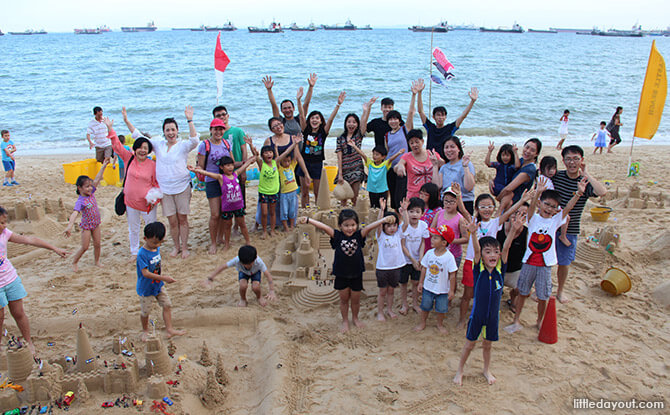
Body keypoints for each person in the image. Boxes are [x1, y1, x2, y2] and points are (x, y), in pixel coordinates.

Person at [505, 177, 586, 333]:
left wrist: (578, 194)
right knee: (523, 293)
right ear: (540, 203)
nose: (549, 208)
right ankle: (516, 320)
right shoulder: (533, 219)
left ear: (557, 209)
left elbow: (568, 208)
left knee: (543, 296)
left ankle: (539, 321)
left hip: (546, 265)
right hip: (529, 262)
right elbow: (531, 207)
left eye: (553, 206)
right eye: (546, 204)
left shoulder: (556, 221)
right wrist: (537, 193)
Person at [122, 106, 199, 259]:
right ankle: (176, 247)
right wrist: (126, 120)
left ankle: (184, 247)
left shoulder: (182, 145)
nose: (170, 133)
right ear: (164, 132)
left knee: (182, 218)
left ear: (177, 131)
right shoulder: (158, 144)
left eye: (173, 130)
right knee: (172, 220)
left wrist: (190, 120)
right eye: (167, 130)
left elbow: (195, 140)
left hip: (182, 187)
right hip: (165, 190)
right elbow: (138, 136)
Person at [298, 210, 392, 332]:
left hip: (356, 274)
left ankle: (355, 318)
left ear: (357, 225)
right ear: (340, 226)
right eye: (346, 225)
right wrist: (308, 220)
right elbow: (325, 227)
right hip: (341, 274)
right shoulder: (337, 236)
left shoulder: (359, 235)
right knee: (343, 300)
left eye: (353, 225)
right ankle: (345, 321)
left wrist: (384, 220)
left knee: (355, 301)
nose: (350, 228)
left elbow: (369, 227)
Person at [454, 218, 517, 386]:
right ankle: (460, 370)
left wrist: (513, 230)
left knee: (488, 345)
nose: (493, 255)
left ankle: (486, 370)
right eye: (488, 252)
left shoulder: (500, 270)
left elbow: (506, 247)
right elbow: (475, 250)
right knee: (469, 345)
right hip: (477, 315)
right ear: (482, 255)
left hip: (493, 316)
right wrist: (473, 233)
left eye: (495, 252)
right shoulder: (479, 269)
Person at [457, 190, 532, 329]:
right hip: (472, 262)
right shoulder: (473, 221)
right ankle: (462, 319)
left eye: (490, 206)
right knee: (468, 294)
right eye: (483, 207)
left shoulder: (495, 222)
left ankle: (479, 317)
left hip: (489, 264)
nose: (487, 210)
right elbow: (462, 209)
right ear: (477, 208)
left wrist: (522, 201)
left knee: (484, 293)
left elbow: (509, 213)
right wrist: (458, 196)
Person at [0, 206, 68, 355]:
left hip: (10, 279)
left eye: (5, 223)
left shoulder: (5, 234)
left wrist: (54, 248)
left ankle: (28, 341)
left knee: (19, 313)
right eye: (2, 223)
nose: (5, 226)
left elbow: (30, 240)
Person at [553, 145, 607, 303]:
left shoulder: (584, 181)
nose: (572, 162)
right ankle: (543, 287)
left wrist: (586, 174)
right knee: (544, 260)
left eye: (576, 159)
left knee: (564, 262)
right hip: (551, 226)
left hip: (571, 228)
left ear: (582, 160)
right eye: (568, 159)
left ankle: (560, 291)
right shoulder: (558, 176)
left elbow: (602, 192)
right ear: (563, 161)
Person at [108, 118, 159, 258]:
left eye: (145, 148)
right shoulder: (128, 158)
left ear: (149, 151)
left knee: (151, 228)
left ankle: (152, 249)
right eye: (140, 147)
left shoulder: (153, 165)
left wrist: (154, 199)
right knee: (134, 229)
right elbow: (117, 146)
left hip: (147, 204)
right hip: (130, 202)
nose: (142, 151)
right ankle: (134, 252)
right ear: (135, 148)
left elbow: (157, 184)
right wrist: (110, 129)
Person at [188, 152, 256, 251]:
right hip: (227, 207)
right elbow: (208, 173)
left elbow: (245, 165)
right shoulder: (221, 178)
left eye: (231, 165)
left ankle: (248, 241)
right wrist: (195, 170)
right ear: (221, 167)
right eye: (227, 165)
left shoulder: (236, 174)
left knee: (242, 224)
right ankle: (227, 244)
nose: (230, 167)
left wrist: (251, 159)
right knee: (227, 226)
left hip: (238, 206)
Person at [136, 222, 185, 341]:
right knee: (145, 311)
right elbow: (145, 273)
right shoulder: (142, 254)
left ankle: (169, 329)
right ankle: (145, 331)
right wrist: (164, 278)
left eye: (160, 242)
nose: (157, 245)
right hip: (146, 288)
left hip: (158, 286)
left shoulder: (156, 248)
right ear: (145, 239)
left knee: (167, 305)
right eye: (154, 242)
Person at [296, 89, 345, 207]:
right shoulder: (306, 130)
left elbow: (331, 119)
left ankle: (317, 210)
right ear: (310, 120)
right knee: (304, 192)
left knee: (318, 192)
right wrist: (298, 100)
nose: (314, 120)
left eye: (317, 118)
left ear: (320, 121)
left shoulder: (323, 132)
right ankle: (305, 210)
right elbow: (302, 116)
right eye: (312, 118)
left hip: (317, 164)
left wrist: (338, 104)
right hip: (305, 163)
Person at [64, 159, 108, 272]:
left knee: (98, 244)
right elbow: (74, 213)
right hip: (86, 226)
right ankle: (74, 262)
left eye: (90, 186)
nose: (90, 188)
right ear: (80, 188)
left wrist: (103, 166)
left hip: (96, 224)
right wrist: (69, 226)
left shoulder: (92, 193)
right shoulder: (81, 201)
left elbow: (97, 179)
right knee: (85, 247)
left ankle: (97, 261)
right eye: (87, 186)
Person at [416, 79, 479, 157]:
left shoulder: (450, 128)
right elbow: (420, 111)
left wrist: (472, 101)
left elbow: (463, 116)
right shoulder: (430, 127)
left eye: (442, 115)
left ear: (445, 117)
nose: (440, 117)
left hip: (445, 160)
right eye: (438, 115)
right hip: (431, 159)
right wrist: (419, 93)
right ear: (433, 117)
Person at [198, 118, 233, 255]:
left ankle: (220, 238)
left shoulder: (226, 143)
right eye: (216, 129)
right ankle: (213, 242)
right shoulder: (204, 145)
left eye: (221, 129)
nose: (218, 131)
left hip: (225, 181)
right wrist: (198, 174)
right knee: (215, 214)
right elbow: (200, 165)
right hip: (211, 181)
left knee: (224, 212)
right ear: (211, 130)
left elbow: (231, 162)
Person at [414, 224, 457, 333]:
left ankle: (440, 324)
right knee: (425, 306)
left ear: (444, 243)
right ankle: (423, 322)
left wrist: (451, 290)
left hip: (442, 290)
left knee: (441, 309)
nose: (431, 239)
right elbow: (424, 268)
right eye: (432, 236)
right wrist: (420, 283)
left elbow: (452, 275)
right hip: (428, 287)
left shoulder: (449, 257)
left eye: (435, 237)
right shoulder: (429, 253)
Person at [204, 245, 277, 307]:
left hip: (255, 272)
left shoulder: (259, 262)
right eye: (245, 264)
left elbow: (268, 275)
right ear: (241, 261)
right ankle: (243, 299)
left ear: (254, 259)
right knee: (243, 285)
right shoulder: (237, 260)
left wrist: (271, 291)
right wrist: (210, 278)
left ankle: (259, 297)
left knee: (256, 287)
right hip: (243, 272)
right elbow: (222, 267)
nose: (248, 266)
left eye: (250, 264)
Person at [335, 98, 375, 206]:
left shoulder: (358, 136)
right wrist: (340, 174)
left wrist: (367, 110)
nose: (351, 124)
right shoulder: (340, 138)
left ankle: (355, 215)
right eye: (349, 122)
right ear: (345, 123)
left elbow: (364, 122)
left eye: (354, 122)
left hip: (357, 168)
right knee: (343, 196)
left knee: (354, 196)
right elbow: (339, 157)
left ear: (357, 124)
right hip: (345, 168)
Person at [384, 82, 418, 210]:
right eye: (390, 119)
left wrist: (414, 95)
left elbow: (410, 113)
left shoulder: (405, 129)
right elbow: (388, 152)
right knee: (393, 197)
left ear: (399, 120)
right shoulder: (387, 135)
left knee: (402, 196)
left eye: (395, 119)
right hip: (391, 168)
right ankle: (398, 220)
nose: (393, 121)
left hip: (404, 168)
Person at [347, 143, 404, 209]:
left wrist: (399, 153)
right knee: (374, 207)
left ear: (383, 157)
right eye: (373, 154)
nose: (374, 156)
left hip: (382, 190)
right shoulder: (370, 164)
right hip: (372, 190)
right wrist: (354, 146)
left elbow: (391, 159)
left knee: (383, 208)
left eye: (377, 154)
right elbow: (363, 155)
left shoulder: (385, 165)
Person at [374, 200, 405, 321]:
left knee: (391, 291)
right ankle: (380, 312)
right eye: (389, 226)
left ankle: (390, 310)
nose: (392, 228)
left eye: (394, 225)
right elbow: (378, 224)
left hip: (395, 267)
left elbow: (405, 223)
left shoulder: (398, 234)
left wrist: (404, 211)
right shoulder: (381, 236)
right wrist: (382, 210)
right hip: (383, 268)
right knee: (382, 291)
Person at [213, 105, 249, 206]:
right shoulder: (217, 134)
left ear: (228, 116)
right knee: (225, 201)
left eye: (223, 114)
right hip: (223, 174)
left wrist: (243, 171)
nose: (222, 117)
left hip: (237, 170)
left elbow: (244, 151)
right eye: (218, 115)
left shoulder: (238, 131)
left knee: (240, 200)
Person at [430, 185, 469, 278]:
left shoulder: (460, 218)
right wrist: (438, 236)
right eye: (446, 201)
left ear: (457, 203)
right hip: (439, 251)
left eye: (452, 201)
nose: (448, 204)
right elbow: (432, 229)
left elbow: (465, 238)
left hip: (454, 253)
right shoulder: (439, 213)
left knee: (451, 277)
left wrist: (451, 240)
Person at [496, 204, 529, 313]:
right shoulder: (499, 228)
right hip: (497, 268)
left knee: (523, 289)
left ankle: (512, 298)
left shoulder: (527, 233)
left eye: (523, 214)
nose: (518, 217)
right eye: (516, 212)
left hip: (515, 270)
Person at [429, 136, 475, 214]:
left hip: (464, 202)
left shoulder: (466, 164)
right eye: (446, 147)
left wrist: (465, 167)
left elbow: (469, 187)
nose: (449, 150)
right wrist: (435, 166)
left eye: (452, 147)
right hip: (447, 203)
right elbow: (437, 186)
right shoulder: (444, 167)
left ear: (459, 149)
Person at [398, 197, 428, 315]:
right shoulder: (403, 226)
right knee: (403, 283)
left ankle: (415, 304)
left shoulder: (423, 225)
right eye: (411, 211)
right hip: (405, 260)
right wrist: (412, 259)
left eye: (417, 211)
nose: (414, 214)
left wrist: (420, 259)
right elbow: (403, 245)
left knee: (416, 283)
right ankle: (404, 304)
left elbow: (423, 243)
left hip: (417, 260)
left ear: (422, 213)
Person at [497, 138, 542, 213]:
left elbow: (509, 188)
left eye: (532, 150)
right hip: (507, 201)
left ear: (536, 154)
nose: (527, 151)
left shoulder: (529, 170)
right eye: (527, 147)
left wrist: (498, 198)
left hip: (515, 206)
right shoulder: (520, 161)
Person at [277, 136, 311, 231]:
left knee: (292, 211)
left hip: (293, 193)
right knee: (284, 212)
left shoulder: (292, 166)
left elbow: (296, 156)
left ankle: (292, 226)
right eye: (285, 161)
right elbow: (278, 159)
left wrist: (296, 143)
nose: (287, 163)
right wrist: (277, 149)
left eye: (288, 161)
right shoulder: (280, 168)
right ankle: (286, 227)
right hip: (284, 194)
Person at [395, 129, 433, 199]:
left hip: (431, 194)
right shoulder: (407, 156)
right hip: (414, 195)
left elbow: (443, 164)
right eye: (411, 143)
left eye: (417, 142)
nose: (414, 145)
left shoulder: (431, 154)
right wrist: (400, 166)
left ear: (422, 141)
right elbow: (398, 165)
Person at [254, 144, 281, 239]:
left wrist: (294, 144)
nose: (268, 154)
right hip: (263, 192)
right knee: (264, 213)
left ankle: (272, 230)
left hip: (274, 192)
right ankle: (264, 231)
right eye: (265, 153)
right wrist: (250, 145)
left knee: (272, 212)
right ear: (262, 155)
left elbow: (283, 154)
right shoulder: (262, 164)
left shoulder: (275, 162)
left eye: (270, 152)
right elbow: (256, 156)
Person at [418, 182, 441, 252]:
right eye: (421, 193)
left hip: (430, 239)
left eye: (426, 195)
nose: (422, 196)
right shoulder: (416, 207)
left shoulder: (438, 210)